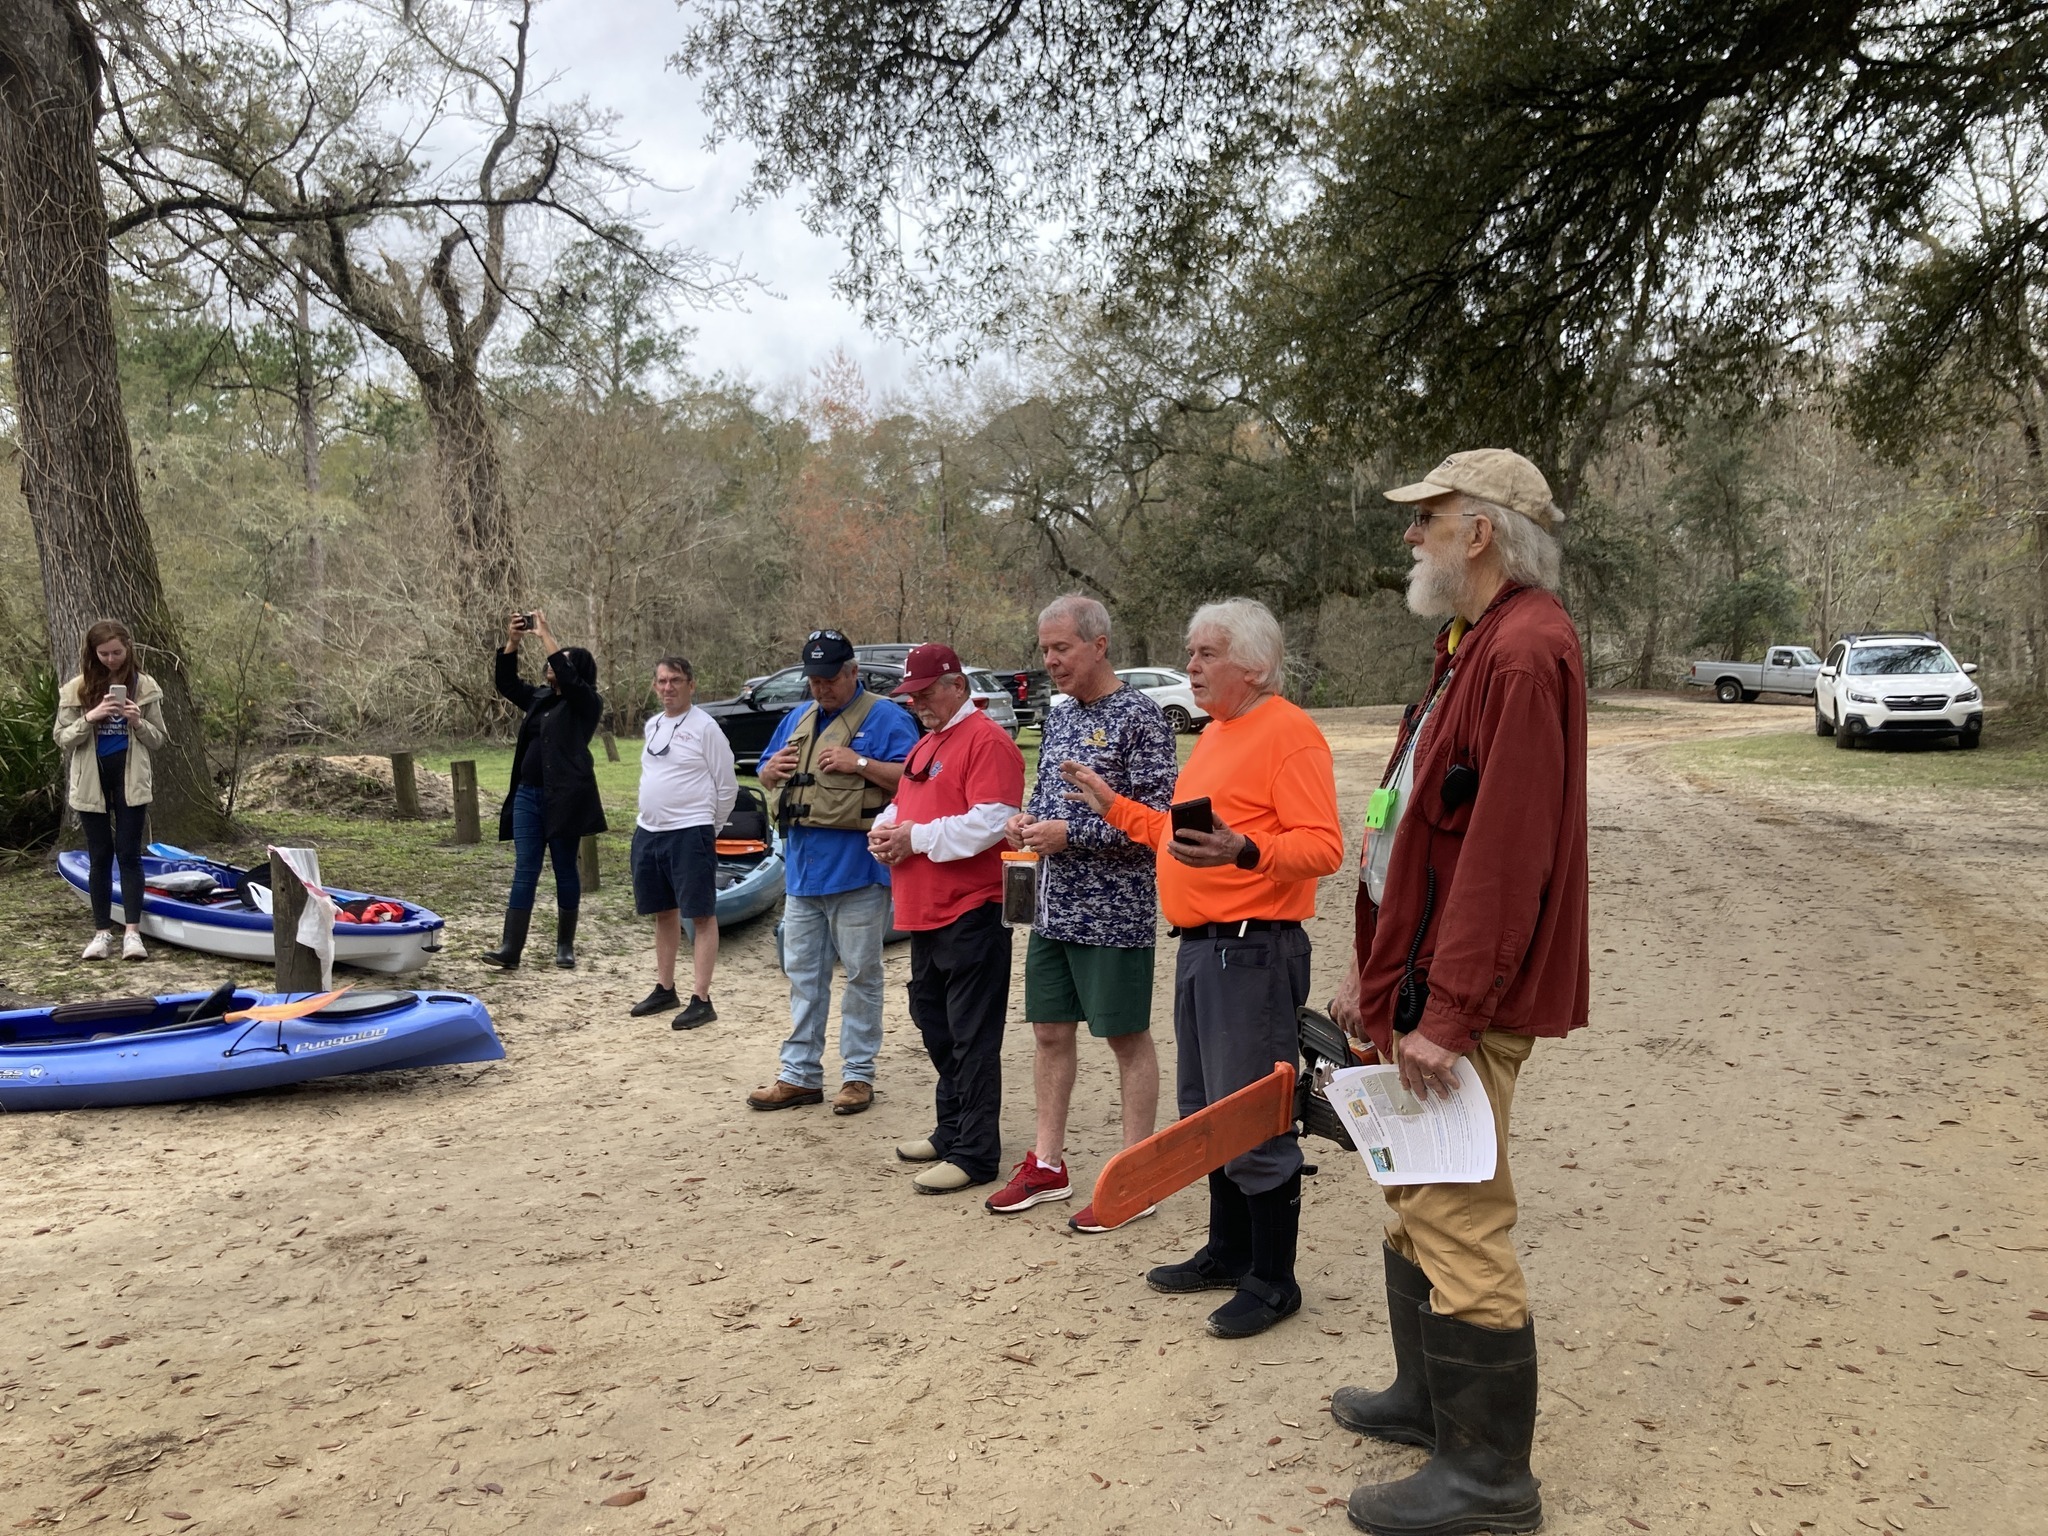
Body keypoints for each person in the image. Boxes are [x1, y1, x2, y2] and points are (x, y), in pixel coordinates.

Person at [1328, 450, 1589, 1536]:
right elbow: (1412, 822)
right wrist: (1370, 971)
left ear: (1477, 532)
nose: (1410, 538)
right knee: (1409, 1192)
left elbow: (1502, 855)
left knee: (1456, 1212)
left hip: (1456, 998)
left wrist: (1445, 1015)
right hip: (1417, 980)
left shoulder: (1523, 652)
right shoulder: (1464, 647)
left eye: (1424, 519)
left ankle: (1488, 1482)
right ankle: (1427, 1403)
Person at [1063, 598, 1342, 1339]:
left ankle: (1273, 1280)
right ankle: (1227, 1251)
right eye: (1190, 651)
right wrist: (1114, 804)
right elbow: (1177, 834)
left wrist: (1246, 852)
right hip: (1201, 948)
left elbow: (1323, 847)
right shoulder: (1218, 733)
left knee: (1252, 1114)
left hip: (1253, 949)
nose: (1190, 665)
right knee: (1209, 1109)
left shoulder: (1290, 734)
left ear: (1254, 665)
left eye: (1206, 653)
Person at [984, 595, 1176, 1231]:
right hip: (1052, 905)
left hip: (1114, 912)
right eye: (1044, 649)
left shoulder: (1143, 719)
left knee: (1125, 1038)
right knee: (1047, 1031)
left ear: (1098, 644)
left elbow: (1159, 826)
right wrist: (1027, 822)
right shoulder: (1060, 715)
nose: (1050, 661)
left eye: (1060, 648)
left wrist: (1076, 836)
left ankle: (1135, 1174)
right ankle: (1047, 1163)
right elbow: (1047, 798)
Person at [868, 642, 1025, 1192]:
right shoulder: (928, 742)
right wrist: (887, 829)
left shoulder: (986, 741)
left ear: (956, 685)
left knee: (971, 1034)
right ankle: (952, 1128)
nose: (917, 705)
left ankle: (977, 1152)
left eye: (925, 693)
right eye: (911, 697)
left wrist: (917, 839)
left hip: (971, 909)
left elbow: (993, 820)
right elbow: (904, 804)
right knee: (933, 1018)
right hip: (926, 912)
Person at [746, 630, 919, 1111]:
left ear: (852, 673)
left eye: (829, 679)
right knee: (803, 975)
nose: (821, 688)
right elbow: (764, 771)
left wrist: (858, 761)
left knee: (862, 974)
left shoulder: (886, 716)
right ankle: (799, 1074)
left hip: (859, 873)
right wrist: (770, 771)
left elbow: (913, 778)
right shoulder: (798, 719)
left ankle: (858, 1076)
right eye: (814, 679)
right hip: (803, 875)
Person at [482, 610, 607, 971]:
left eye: (562, 662)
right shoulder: (539, 698)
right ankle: (510, 948)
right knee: (526, 869)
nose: (551, 665)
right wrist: (513, 641)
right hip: (527, 795)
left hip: (565, 799)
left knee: (565, 869)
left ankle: (565, 946)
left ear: (577, 671)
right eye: (553, 661)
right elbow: (506, 684)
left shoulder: (585, 703)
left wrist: (546, 635)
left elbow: (568, 677)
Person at [628, 656, 736, 1026]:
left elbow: (727, 785)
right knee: (663, 911)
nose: (667, 688)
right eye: (661, 681)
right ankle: (665, 988)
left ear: (691, 684)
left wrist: (711, 827)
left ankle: (702, 997)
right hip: (650, 832)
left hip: (691, 830)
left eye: (675, 680)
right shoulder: (653, 725)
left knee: (701, 914)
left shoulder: (706, 728)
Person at [53, 620, 168, 961]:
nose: (111, 659)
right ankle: (102, 933)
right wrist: (91, 717)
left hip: (130, 780)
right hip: (91, 781)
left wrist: (137, 721)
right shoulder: (76, 689)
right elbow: (61, 737)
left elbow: (159, 739)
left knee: (129, 854)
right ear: (93, 653)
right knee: (99, 855)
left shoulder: (144, 686)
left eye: (117, 652)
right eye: (103, 653)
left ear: (128, 648)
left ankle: (132, 934)